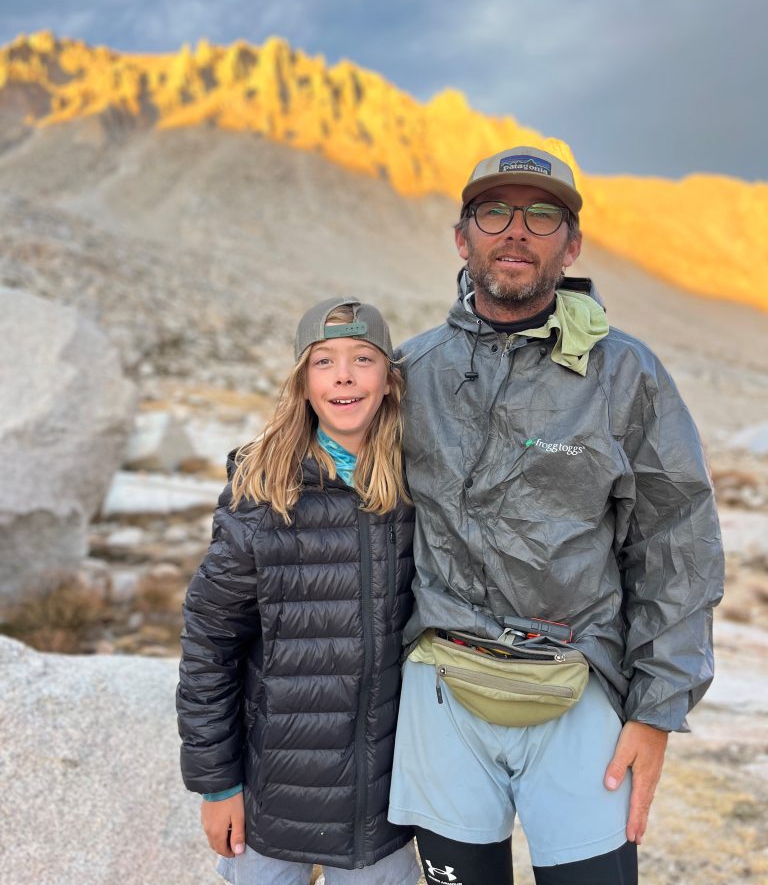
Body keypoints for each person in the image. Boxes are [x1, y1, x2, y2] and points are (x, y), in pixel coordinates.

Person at [387, 146, 724, 885]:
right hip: (442, 692)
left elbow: (678, 544)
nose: (516, 230)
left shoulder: (625, 373)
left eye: (542, 215)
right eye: (494, 212)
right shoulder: (411, 373)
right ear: (462, 237)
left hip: (579, 685)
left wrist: (656, 711)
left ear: (570, 246)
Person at [177, 297, 420, 885]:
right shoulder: (263, 491)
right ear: (303, 383)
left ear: (389, 381)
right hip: (271, 800)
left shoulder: (419, 486)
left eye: (363, 358)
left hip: (383, 807)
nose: (343, 375)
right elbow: (210, 643)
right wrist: (217, 786)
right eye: (323, 361)